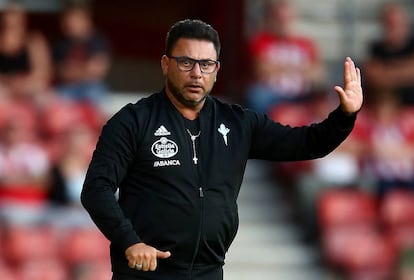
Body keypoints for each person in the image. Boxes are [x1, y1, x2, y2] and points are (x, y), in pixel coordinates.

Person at [81, 19, 363, 280]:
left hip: (209, 272)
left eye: (205, 64)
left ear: (217, 70)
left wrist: (344, 115)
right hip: (146, 272)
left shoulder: (239, 123)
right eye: (186, 62)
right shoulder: (133, 121)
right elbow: (96, 189)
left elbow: (309, 143)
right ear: (166, 64)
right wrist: (130, 240)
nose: (196, 73)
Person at [245, 0, 325, 113]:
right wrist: (300, 68)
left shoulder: (305, 43)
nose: (283, 24)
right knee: (256, 95)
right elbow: (261, 70)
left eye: (287, 20)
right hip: (272, 93)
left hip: (301, 93)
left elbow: (317, 73)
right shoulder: (261, 41)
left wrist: (279, 68)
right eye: (280, 20)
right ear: (271, 20)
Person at [52, 4, 111, 108]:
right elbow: (61, 71)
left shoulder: (98, 41)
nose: (68, 25)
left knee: (95, 99)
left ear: (85, 20)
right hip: (67, 87)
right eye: (66, 21)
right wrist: (84, 69)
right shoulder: (61, 43)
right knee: (54, 103)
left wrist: (72, 69)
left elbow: (98, 70)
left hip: (92, 87)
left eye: (72, 21)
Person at [363, 2, 414, 105]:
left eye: (396, 24)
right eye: (389, 23)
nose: (393, 28)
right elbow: (374, 76)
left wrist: (387, 73)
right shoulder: (376, 48)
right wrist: (405, 71)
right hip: (384, 111)